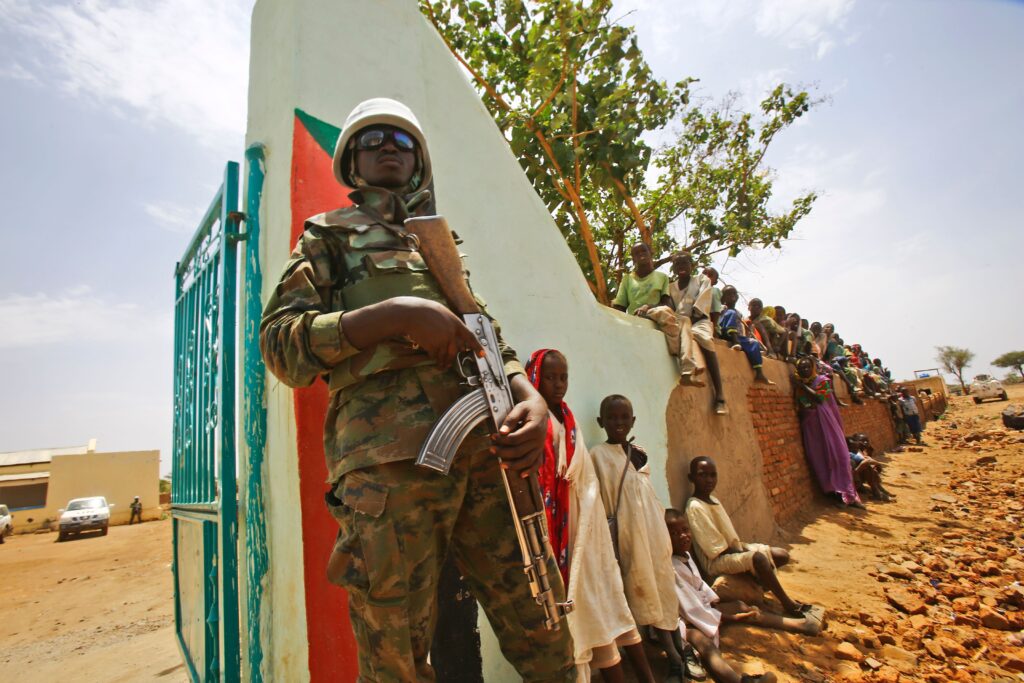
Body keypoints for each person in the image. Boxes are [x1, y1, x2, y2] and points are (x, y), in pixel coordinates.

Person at [259, 98, 574, 681]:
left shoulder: (439, 245)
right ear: (353, 159)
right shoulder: (327, 237)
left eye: (402, 141)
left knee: (544, 626)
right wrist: (394, 315)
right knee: (395, 656)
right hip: (389, 465)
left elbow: (487, 335)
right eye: (374, 137)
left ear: (418, 161)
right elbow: (281, 347)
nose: (388, 146)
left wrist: (528, 396)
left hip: (489, 455)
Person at [526, 350, 644, 683]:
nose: (559, 384)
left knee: (597, 607)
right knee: (568, 617)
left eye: (563, 377)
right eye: (550, 377)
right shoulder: (534, 421)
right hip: (551, 533)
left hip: (582, 531)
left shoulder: (568, 419)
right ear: (534, 378)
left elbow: (582, 477)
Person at [667, 508, 822, 683]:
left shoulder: (685, 556)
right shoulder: (671, 567)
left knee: (741, 606)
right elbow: (691, 611)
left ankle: (799, 625)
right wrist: (730, 617)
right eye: (674, 533)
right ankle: (740, 681)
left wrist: (719, 608)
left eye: (685, 530)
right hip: (683, 624)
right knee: (705, 645)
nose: (682, 536)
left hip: (702, 612)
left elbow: (700, 590)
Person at [590, 395, 681, 675]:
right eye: (612, 418)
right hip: (628, 539)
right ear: (600, 422)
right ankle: (664, 659)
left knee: (664, 589)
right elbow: (601, 504)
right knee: (637, 593)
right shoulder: (598, 455)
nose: (618, 423)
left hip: (654, 537)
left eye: (624, 417)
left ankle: (678, 655)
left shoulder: (639, 452)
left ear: (633, 421)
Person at [685, 457, 813, 618]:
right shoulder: (695, 507)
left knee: (781, 554)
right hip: (715, 562)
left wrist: (743, 551)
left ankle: (755, 588)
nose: (709, 480)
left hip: (731, 551)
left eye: (713, 475)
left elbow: (730, 541)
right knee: (759, 559)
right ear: (692, 478)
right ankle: (788, 604)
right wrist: (747, 558)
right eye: (703, 475)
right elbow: (716, 550)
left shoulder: (713, 500)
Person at [792, 357, 864, 508]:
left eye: (807, 367)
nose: (804, 370)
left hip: (827, 423)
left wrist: (801, 386)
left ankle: (848, 493)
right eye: (801, 368)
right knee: (819, 458)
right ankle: (835, 494)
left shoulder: (822, 380)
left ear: (812, 368)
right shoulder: (799, 387)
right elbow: (801, 405)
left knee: (838, 456)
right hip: (811, 426)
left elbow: (819, 398)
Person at [671, 253, 728, 415]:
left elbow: (701, 305)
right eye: (677, 264)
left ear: (692, 266)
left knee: (704, 339)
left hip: (698, 321)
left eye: (685, 263)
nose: (681, 267)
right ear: (673, 268)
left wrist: (689, 319)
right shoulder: (671, 287)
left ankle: (720, 396)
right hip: (680, 323)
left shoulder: (702, 280)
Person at [719, 286, 772, 385]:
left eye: (734, 294)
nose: (732, 296)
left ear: (737, 297)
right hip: (724, 332)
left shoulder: (739, 313)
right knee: (731, 312)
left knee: (754, 343)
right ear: (723, 298)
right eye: (728, 294)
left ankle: (759, 373)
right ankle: (735, 340)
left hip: (738, 337)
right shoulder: (722, 308)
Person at [612, 243, 672, 316]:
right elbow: (620, 306)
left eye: (644, 251)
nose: (641, 254)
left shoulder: (662, 277)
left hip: (656, 319)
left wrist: (648, 307)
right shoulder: (627, 279)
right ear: (633, 258)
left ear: (650, 253)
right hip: (635, 319)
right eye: (636, 253)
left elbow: (666, 305)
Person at [846, 434, 892, 502]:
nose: (865, 443)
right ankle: (876, 491)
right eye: (862, 441)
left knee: (869, 467)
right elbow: (866, 461)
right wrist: (856, 471)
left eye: (867, 441)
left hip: (856, 477)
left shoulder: (858, 452)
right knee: (867, 467)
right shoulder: (850, 453)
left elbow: (868, 460)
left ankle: (878, 490)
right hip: (851, 479)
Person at [702, 266, 724, 331]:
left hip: (710, 325)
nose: (706, 276)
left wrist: (714, 328)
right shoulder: (696, 290)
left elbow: (716, 312)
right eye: (704, 274)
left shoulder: (714, 291)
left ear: (715, 282)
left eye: (710, 275)